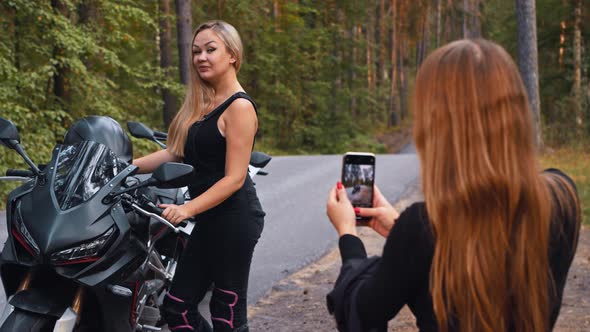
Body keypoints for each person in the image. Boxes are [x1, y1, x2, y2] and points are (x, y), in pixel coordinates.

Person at [325, 39, 581, 332]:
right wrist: (400, 230)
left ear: (437, 130)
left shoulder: (421, 230)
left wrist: (348, 233)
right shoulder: (563, 198)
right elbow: (489, 238)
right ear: (517, 113)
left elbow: (362, 311)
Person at [133, 20, 265, 332]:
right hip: (208, 220)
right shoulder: (203, 104)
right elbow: (175, 153)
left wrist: (186, 209)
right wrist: (125, 165)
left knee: (227, 316)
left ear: (232, 55)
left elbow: (234, 178)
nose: (201, 57)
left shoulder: (240, 107)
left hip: (235, 220)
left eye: (210, 50)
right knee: (177, 309)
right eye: (196, 52)